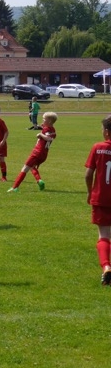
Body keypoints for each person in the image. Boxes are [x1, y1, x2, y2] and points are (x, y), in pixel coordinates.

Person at [85, 115, 111, 285]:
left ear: (107, 132)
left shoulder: (98, 147)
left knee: (104, 235)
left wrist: (90, 192)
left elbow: (88, 174)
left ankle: (107, 266)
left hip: (101, 197)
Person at [8, 112, 58, 193]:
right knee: (32, 167)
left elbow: (48, 138)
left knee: (25, 168)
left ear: (49, 121)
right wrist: (42, 129)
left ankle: (15, 187)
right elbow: (50, 135)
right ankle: (39, 180)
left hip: (37, 152)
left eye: (44, 119)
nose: (42, 120)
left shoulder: (46, 129)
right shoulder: (53, 129)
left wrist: (40, 134)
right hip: (44, 154)